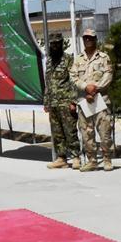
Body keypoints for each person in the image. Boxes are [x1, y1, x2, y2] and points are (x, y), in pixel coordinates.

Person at [70, 28, 113, 172]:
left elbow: (108, 75)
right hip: (84, 100)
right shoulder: (78, 59)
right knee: (86, 133)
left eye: (90, 38)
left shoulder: (103, 57)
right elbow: (73, 77)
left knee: (105, 131)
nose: (88, 40)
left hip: (100, 99)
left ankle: (107, 159)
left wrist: (94, 89)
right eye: (85, 38)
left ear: (95, 40)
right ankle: (92, 160)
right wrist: (85, 87)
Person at [43, 33, 80, 170]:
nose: (55, 46)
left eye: (57, 43)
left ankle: (76, 156)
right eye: (53, 43)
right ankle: (61, 158)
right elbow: (48, 82)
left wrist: (73, 101)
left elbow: (73, 81)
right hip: (53, 103)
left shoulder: (68, 59)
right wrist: (46, 102)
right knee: (57, 132)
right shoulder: (49, 61)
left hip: (66, 102)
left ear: (61, 43)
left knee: (70, 131)